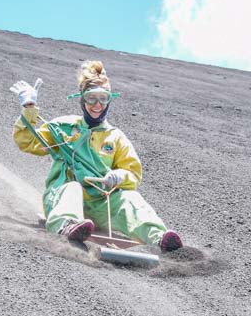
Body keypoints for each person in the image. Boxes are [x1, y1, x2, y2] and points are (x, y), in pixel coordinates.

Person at [11, 60, 183, 251]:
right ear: (82, 99)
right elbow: (26, 142)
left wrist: (119, 176)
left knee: (129, 198)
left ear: (110, 100)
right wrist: (29, 107)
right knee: (72, 187)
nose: (97, 105)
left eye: (103, 98)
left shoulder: (115, 136)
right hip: (64, 198)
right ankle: (67, 225)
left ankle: (160, 238)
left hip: (101, 202)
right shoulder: (63, 128)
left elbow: (133, 173)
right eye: (91, 98)